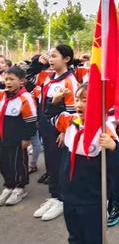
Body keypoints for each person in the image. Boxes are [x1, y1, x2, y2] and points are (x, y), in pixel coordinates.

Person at [55, 83, 119, 244]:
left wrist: (113, 148)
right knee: (74, 235)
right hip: (69, 193)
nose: (80, 104)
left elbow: (117, 165)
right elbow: (49, 117)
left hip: (91, 196)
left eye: (86, 100)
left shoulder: (104, 128)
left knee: (93, 236)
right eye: (78, 99)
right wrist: (55, 101)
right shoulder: (71, 123)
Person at [34, 45, 79, 221]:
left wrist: (65, 131)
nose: (51, 60)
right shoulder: (50, 78)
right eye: (50, 56)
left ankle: (62, 199)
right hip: (47, 127)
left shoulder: (70, 81)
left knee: (61, 165)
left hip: (59, 130)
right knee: (50, 163)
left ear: (66, 59)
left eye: (55, 56)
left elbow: (74, 111)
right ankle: (53, 196)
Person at [0, 66, 37, 206]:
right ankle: (9, 185)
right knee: (4, 162)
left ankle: (20, 188)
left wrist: (27, 138)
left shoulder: (25, 97)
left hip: (17, 138)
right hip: (3, 137)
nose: (8, 82)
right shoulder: (2, 95)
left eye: (11, 79)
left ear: (21, 81)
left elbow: (31, 121)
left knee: (17, 163)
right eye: (6, 79)